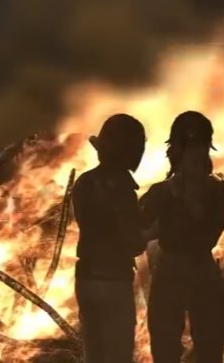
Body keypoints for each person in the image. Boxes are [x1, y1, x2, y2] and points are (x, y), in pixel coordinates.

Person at [139, 111, 224, 363]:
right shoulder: (167, 191)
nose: (195, 152)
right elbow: (139, 227)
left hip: (191, 269)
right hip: (181, 269)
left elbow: (212, 230)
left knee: (206, 344)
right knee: (169, 345)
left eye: (198, 145)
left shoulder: (214, 189)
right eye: (190, 145)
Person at [73, 113, 149, 363]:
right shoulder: (122, 188)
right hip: (114, 281)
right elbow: (131, 242)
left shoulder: (84, 182)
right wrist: (152, 231)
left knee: (93, 353)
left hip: (86, 279)